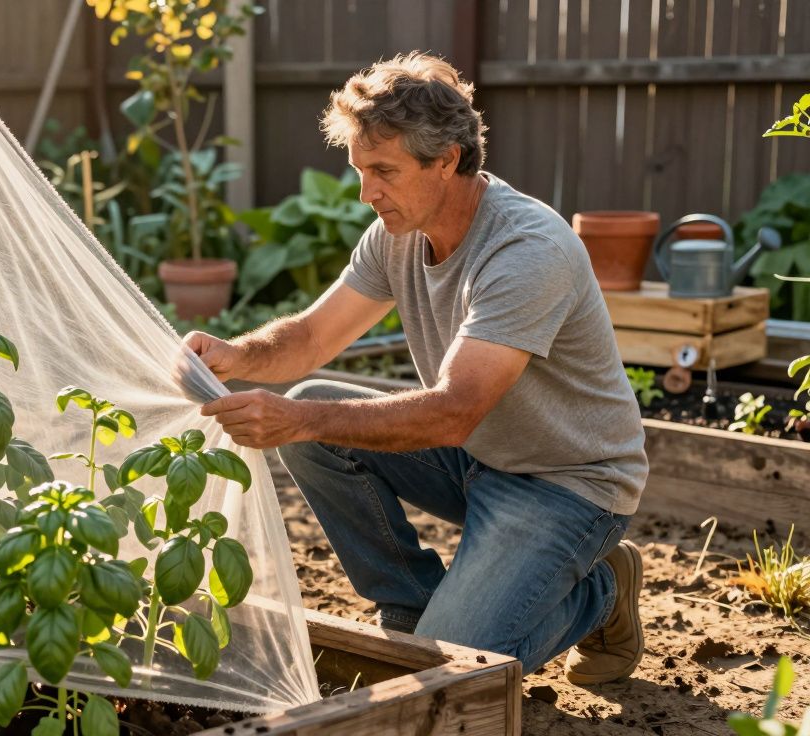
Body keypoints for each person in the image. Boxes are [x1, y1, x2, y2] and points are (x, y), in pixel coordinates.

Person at [186, 52, 648, 683]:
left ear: (447, 160)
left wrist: (294, 418)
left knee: (456, 672)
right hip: (483, 459)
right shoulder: (397, 230)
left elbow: (455, 410)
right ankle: (411, 607)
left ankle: (603, 595)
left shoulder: (526, 250)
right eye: (358, 171)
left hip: (568, 484)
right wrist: (238, 355)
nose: (366, 192)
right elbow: (314, 335)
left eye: (384, 171)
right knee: (318, 416)